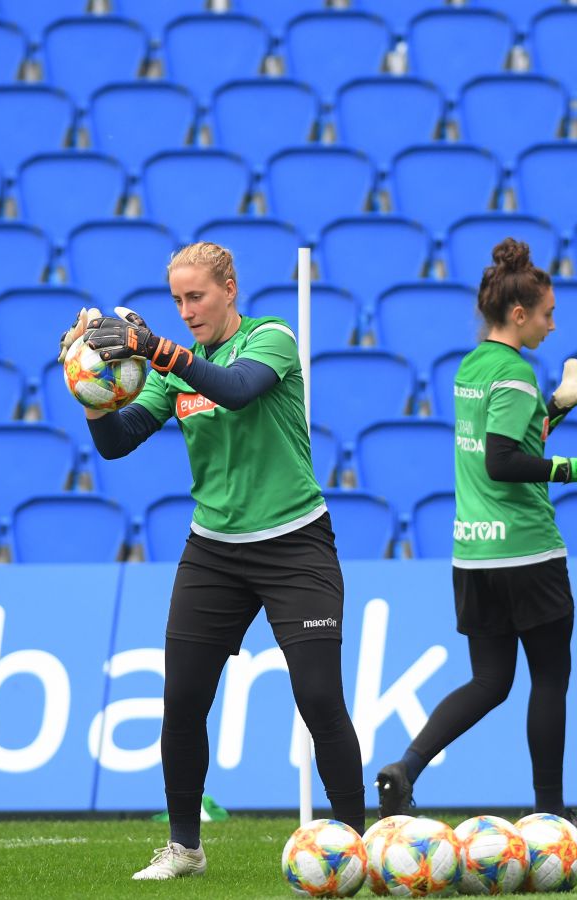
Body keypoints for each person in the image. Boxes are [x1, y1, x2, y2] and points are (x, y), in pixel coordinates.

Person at [58, 242, 365, 881]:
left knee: (317, 696)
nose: (187, 309)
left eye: (196, 296)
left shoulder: (272, 338)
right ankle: (185, 848)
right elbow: (117, 443)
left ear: (229, 288)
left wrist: (154, 346)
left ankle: (355, 843)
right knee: (184, 700)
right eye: (177, 300)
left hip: (294, 543)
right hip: (214, 552)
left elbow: (238, 391)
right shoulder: (174, 370)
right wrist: (87, 383)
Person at [373, 238, 577, 836]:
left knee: (490, 681)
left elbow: (507, 440)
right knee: (549, 678)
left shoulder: (473, 366)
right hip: (526, 549)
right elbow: (504, 461)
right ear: (519, 314)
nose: (553, 324)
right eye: (547, 313)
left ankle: (406, 768)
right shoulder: (515, 371)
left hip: (473, 551)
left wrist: (555, 406)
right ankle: (551, 814)